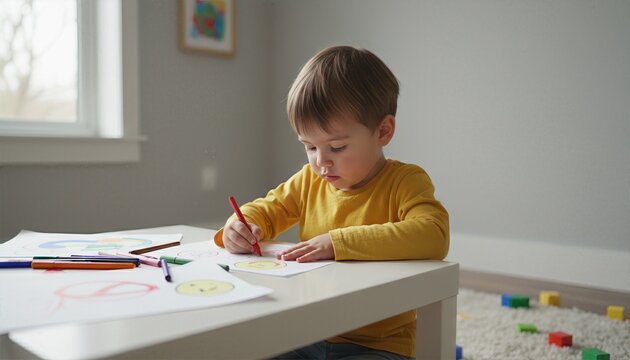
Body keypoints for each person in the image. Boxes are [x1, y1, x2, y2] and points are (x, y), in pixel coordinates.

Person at [213, 45, 449, 359]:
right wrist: (239, 226)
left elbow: (433, 235)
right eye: (309, 147)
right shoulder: (309, 180)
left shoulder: (405, 182)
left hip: (379, 344)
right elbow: (268, 208)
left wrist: (338, 243)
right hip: (307, 331)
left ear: (383, 131)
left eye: (336, 147)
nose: (321, 162)